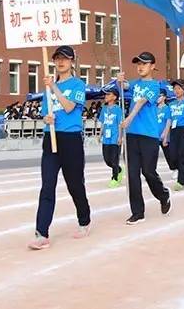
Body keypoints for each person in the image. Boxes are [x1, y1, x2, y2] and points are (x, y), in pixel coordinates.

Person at [29, 45, 91, 250]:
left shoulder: (77, 85)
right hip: (51, 138)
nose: (60, 62)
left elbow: (69, 107)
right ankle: (42, 232)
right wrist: (46, 119)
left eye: (64, 58)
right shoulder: (48, 89)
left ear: (72, 61)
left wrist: (54, 87)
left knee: (75, 184)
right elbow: (47, 114)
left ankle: (84, 220)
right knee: (47, 185)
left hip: (71, 139)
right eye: (57, 59)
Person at [119, 52, 172, 225]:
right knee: (132, 174)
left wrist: (128, 118)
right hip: (132, 135)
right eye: (138, 64)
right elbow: (126, 86)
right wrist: (120, 81)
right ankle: (138, 212)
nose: (140, 67)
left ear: (152, 66)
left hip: (148, 134)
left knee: (148, 172)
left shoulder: (155, 86)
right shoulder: (136, 84)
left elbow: (141, 102)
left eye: (144, 64)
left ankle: (163, 195)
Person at [99, 86, 124, 188]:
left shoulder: (118, 110)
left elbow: (120, 124)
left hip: (115, 137)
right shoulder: (104, 109)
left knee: (114, 159)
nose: (106, 96)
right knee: (107, 160)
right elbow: (103, 122)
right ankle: (119, 170)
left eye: (108, 94)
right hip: (106, 138)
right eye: (106, 94)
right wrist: (99, 134)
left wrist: (120, 137)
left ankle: (115, 178)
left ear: (114, 97)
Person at [156, 89, 172, 171]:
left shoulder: (167, 108)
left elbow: (168, 123)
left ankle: (176, 169)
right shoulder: (154, 109)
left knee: (169, 155)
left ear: (164, 97)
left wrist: (165, 135)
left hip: (164, 135)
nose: (157, 98)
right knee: (151, 156)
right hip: (154, 136)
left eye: (159, 96)